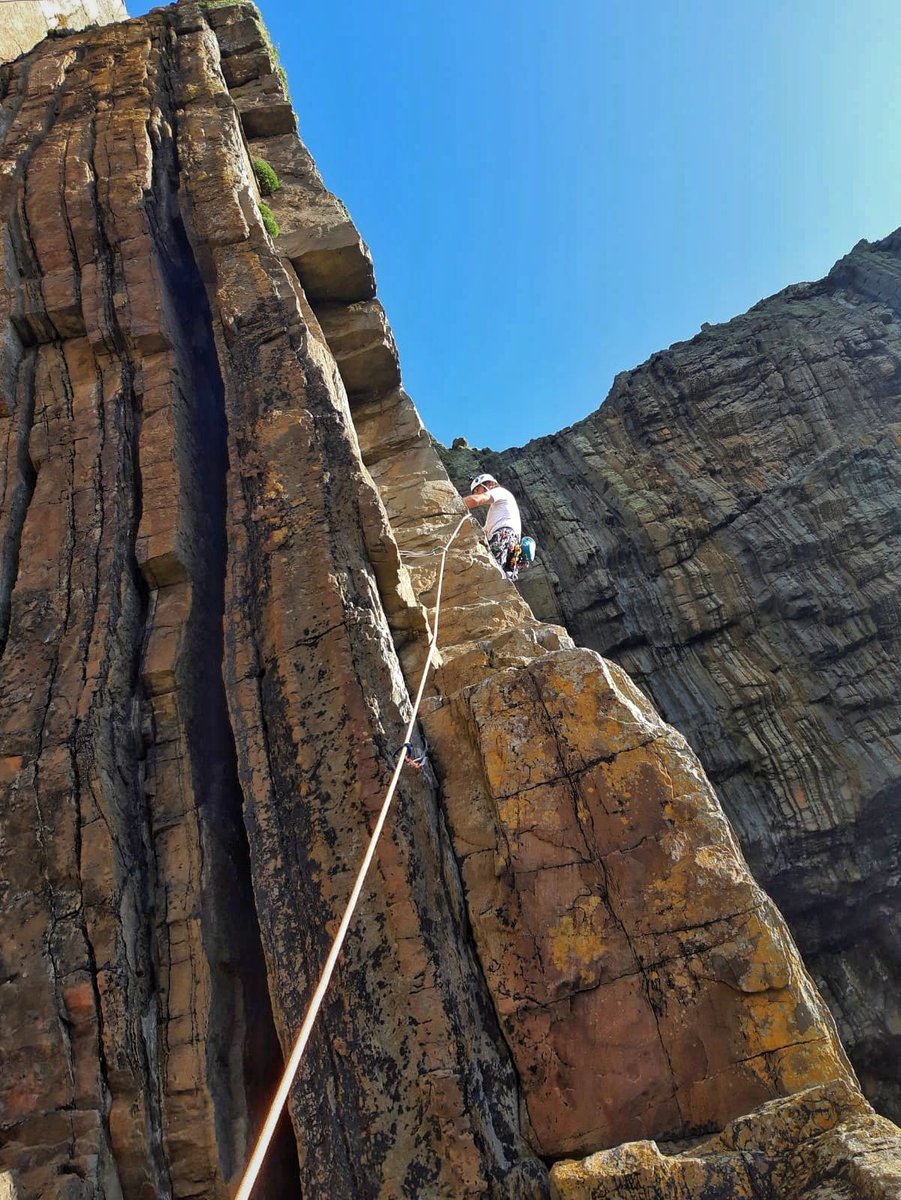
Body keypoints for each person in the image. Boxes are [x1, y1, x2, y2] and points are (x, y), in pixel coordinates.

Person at [464, 473, 522, 579]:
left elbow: (475, 500)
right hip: (512, 546)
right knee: (502, 575)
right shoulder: (497, 511)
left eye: (477, 490)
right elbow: (484, 532)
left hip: (503, 536)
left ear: (490, 484)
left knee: (492, 573)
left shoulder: (500, 492)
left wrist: (453, 504)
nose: (477, 493)